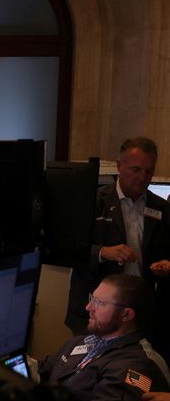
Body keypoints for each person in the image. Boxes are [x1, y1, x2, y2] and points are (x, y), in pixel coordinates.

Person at [41, 273, 170, 401]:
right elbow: (45, 369)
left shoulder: (138, 365)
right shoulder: (83, 341)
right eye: (91, 299)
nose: (88, 307)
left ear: (127, 314)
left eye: (99, 303)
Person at [65, 137, 170, 359]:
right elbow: (67, 249)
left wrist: (167, 265)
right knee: (89, 373)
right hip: (95, 310)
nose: (143, 178)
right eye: (136, 169)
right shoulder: (93, 201)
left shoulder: (161, 208)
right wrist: (103, 253)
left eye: (149, 172)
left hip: (140, 312)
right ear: (119, 166)